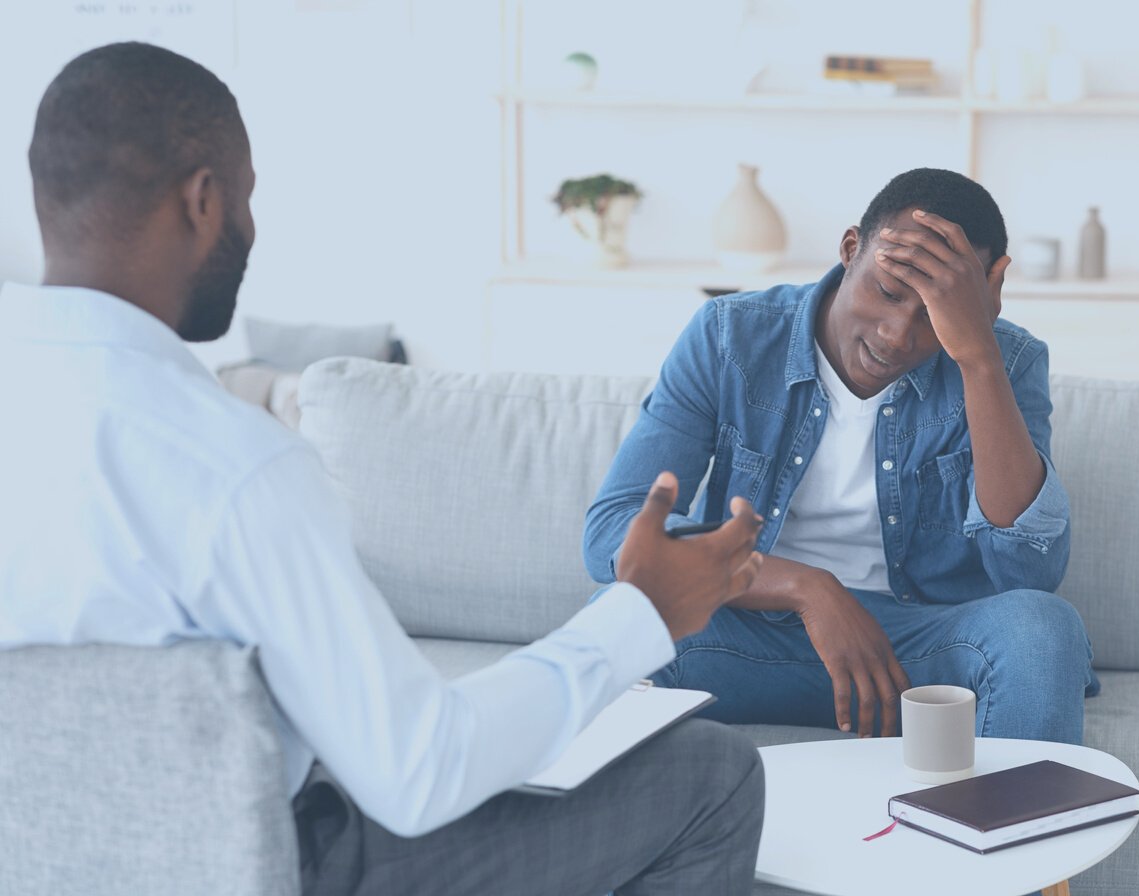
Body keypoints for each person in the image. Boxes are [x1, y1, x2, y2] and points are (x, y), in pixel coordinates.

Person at [0, 42, 769, 896]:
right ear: (204, 201)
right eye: (247, 199)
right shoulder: (232, 469)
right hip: (269, 870)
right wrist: (641, 612)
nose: (251, 231)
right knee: (712, 776)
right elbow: (420, 770)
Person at [585, 167, 1099, 744]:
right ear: (852, 248)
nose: (897, 335)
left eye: (934, 313)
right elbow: (614, 534)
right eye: (887, 292)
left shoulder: (1010, 361)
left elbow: (1030, 573)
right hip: (751, 635)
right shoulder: (729, 337)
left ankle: (1001, 833)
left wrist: (978, 356)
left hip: (921, 653)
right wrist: (807, 589)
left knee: (1042, 630)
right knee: (618, 617)